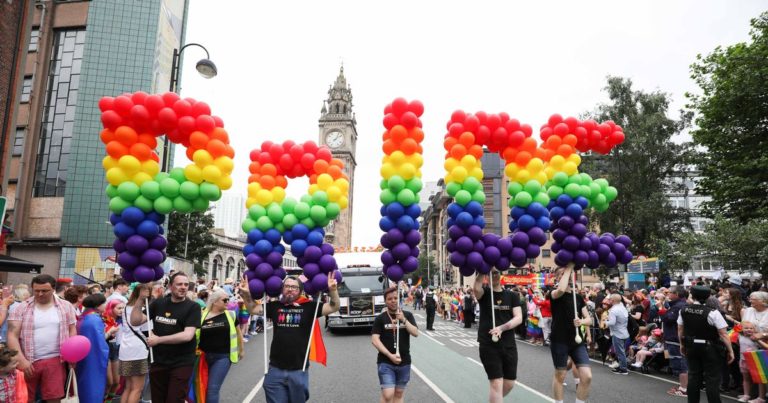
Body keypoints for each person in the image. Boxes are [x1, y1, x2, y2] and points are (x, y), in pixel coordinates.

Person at [247, 274, 340, 403]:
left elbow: (333, 307)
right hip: (275, 370)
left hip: (298, 370)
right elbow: (253, 309)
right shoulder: (275, 306)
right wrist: (246, 294)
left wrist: (333, 290)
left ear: (300, 291)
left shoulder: (310, 307)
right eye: (287, 286)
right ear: (282, 288)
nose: (290, 289)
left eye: (294, 287)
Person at [130, 272, 201, 402]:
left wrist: (158, 340)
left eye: (186, 284)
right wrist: (140, 299)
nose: (183, 287)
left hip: (182, 363)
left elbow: (187, 335)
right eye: (179, 284)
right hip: (158, 361)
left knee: (174, 399)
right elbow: (135, 321)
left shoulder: (193, 307)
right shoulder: (159, 303)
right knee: (158, 400)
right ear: (170, 286)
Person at [7, 274, 78, 402]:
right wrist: (21, 359)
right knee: (24, 398)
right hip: (28, 360)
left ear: (53, 289)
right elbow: (12, 335)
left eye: (44, 291)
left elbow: (72, 329)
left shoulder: (66, 306)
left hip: (56, 360)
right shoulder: (21, 307)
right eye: (36, 291)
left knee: (54, 398)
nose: (40, 294)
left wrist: (72, 355)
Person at [473, 269, 524, 403]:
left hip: (509, 345)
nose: (493, 275)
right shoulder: (484, 294)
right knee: (496, 382)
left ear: (500, 274)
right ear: (487, 277)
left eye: (496, 272)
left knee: (509, 383)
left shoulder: (512, 296)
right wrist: (482, 270)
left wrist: (502, 328)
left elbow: (518, 317)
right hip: (488, 345)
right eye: (490, 273)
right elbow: (476, 288)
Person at [678, 284, 735, 403]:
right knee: (712, 379)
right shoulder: (713, 313)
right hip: (710, 348)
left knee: (693, 376)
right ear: (708, 296)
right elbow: (723, 334)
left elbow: (680, 330)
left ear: (692, 296)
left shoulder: (683, 310)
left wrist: (682, 344)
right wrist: (730, 350)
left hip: (691, 346)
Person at [549, 265, 593, 403]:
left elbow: (589, 320)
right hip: (559, 340)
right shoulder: (553, 293)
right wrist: (569, 267)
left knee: (587, 376)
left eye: (567, 273)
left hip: (576, 342)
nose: (565, 275)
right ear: (556, 277)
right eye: (561, 274)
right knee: (560, 375)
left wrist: (581, 321)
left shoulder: (578, 297)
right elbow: (561, 289)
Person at [371, 286, 419, 403]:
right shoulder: (380, 319)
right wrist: (390, 355)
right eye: (389, 299)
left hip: (404, 361)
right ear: (385, 301)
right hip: (385, 361)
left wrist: (403, 320)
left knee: (398, 393)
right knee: (388, 394)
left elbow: (415, 333)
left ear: (399, 299)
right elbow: (375, 340)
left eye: (395, 298)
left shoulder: (407, 315)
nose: (393, 301)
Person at [197, 289, 244, 403]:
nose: (228, 302)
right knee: (200, 387)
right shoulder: (202, 315)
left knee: (213, 389)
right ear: (214, 302)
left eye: (228, 299)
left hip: (223, 357)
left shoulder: (231, 315)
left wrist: (241, 350)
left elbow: (238, 334)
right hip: (202, 357)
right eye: (225, 300)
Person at [76, 293, 112, 403]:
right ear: (97, 306)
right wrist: (110, 333)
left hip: (83, 357)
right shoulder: (94, 319)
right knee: (94, 386)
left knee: (84, 385)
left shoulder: (84, 317)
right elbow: (99, 343)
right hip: (94, 358)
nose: (106, 305)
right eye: (104, 303)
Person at [662, 286, 690, 397]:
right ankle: (683, 386)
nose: (668, 295)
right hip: (673, 339)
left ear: (677, 294)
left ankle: (683, 388)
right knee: (676, 362)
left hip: (675, 339)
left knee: (680, 364)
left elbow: (668, 319)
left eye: (670, 293)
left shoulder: (679, 306)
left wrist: (661, 309)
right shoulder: (678, 305)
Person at [104, 299, 125, 402]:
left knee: (116, 382)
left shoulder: (123, 320)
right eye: (119, 308)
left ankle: (108, 401)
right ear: (111, 308)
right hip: (106, 349)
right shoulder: (104, 319)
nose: (122, 310)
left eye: (123, 308)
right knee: (109, 382)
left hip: (117, 349)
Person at [605, 293, 630, 375]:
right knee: (621, 351)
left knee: (620, 352)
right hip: (624, 331)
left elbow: (612, 322)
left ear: (612, 300)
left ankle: (623, 369)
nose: (609, 300)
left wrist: (605, 321)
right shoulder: (622, 307)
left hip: (617, 333)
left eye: (610, 299)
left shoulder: (614, 310)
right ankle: (622, 366)